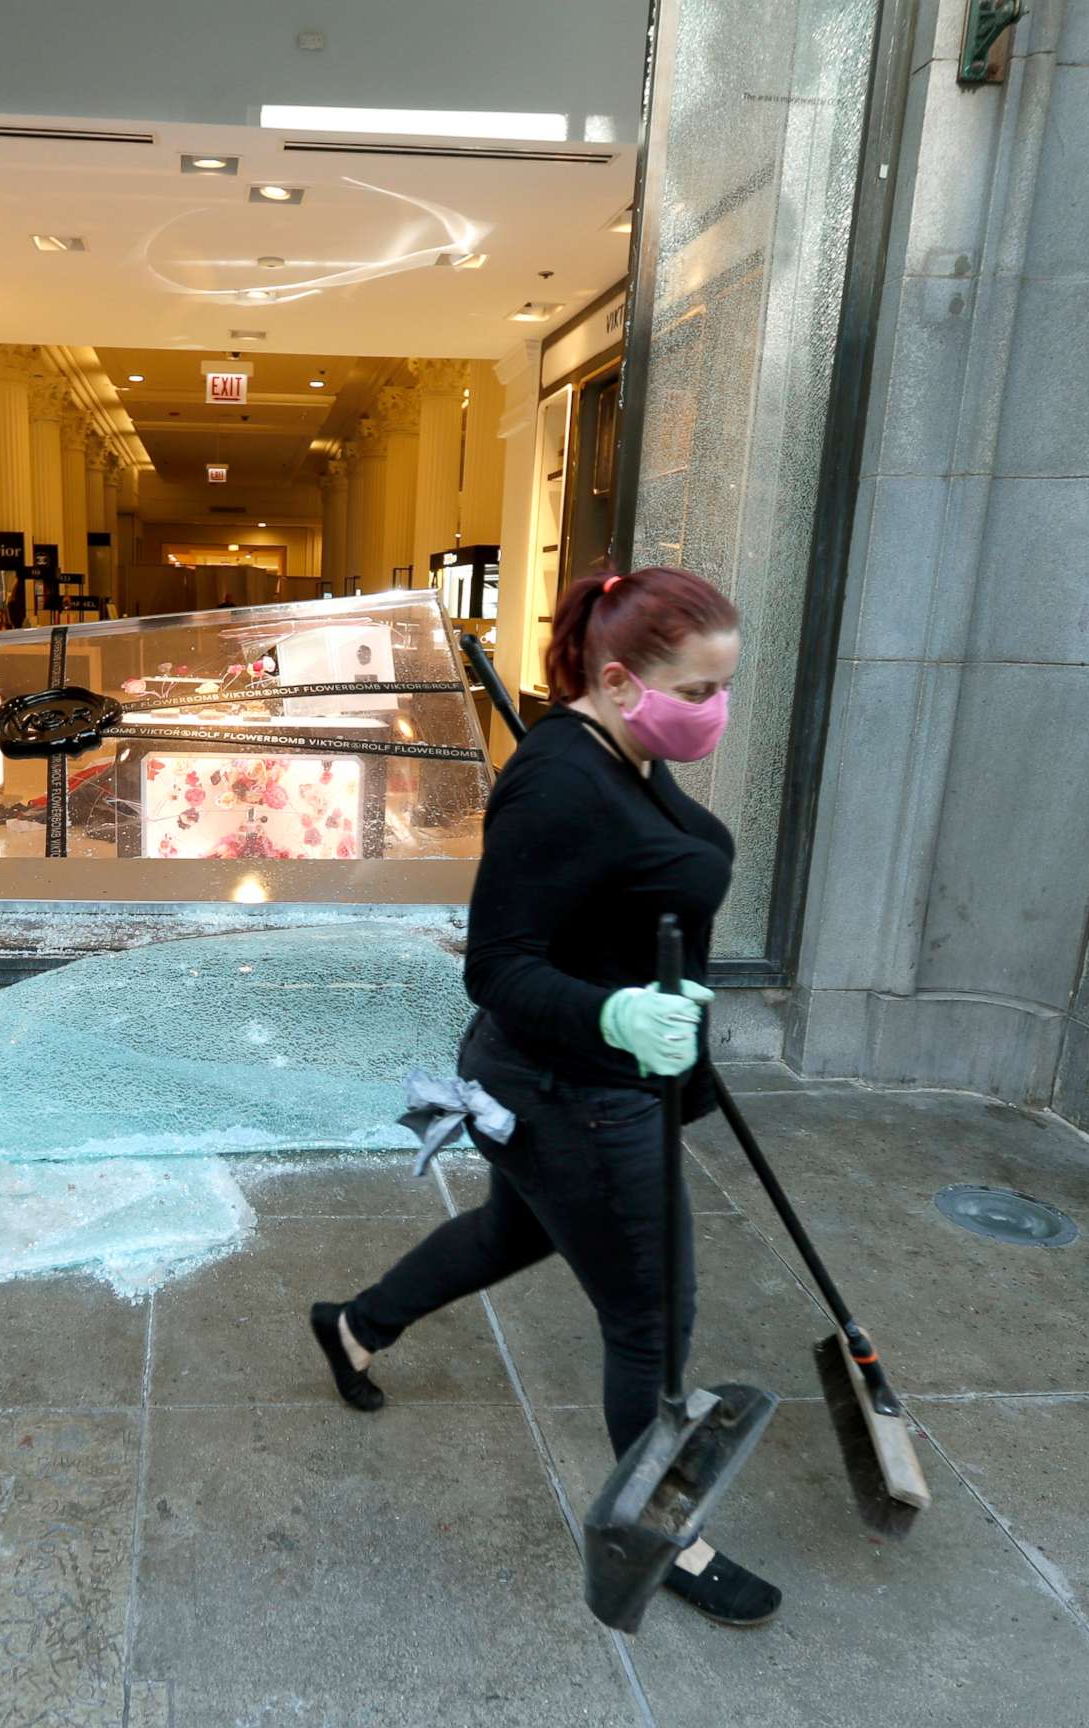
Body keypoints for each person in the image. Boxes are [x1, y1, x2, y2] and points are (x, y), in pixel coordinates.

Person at [308, 564, 782, 1629]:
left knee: (513, 1233)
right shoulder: (556, 781)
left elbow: (608, 897)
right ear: (620, 680)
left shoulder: (625, 748)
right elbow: (500, 965)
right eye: (699, 691)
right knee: (651, 1322)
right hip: (577, 1092)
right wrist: (615, 1016)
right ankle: (664, 1530)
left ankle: (352, 1327)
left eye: (725, 686)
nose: (716, 712)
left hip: (583, 1084)